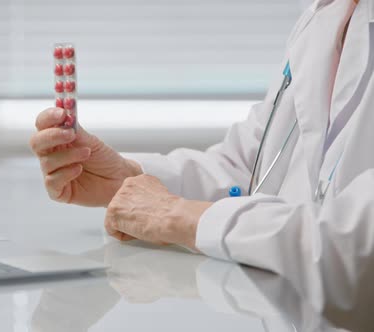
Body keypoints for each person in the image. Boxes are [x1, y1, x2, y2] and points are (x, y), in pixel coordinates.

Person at [30, 0, 374, 310]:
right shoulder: (325, 16)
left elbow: (356, 248)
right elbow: (249, 170)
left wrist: (180, 216)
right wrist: (126, 179)